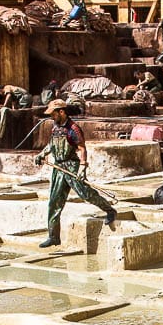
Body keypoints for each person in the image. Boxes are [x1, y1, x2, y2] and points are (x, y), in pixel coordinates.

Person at [33, 99, 116, 247]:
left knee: (85, 193)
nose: (52, 117)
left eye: (53, 114)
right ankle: (53, 236)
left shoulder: (74, 129)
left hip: (71, 166)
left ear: (61, 112)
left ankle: (110, 210)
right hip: (58, 168)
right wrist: (41, 154)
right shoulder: (55, 127)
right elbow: (51, 145)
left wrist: (82, 167)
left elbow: (82, 148)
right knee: (54, 202)